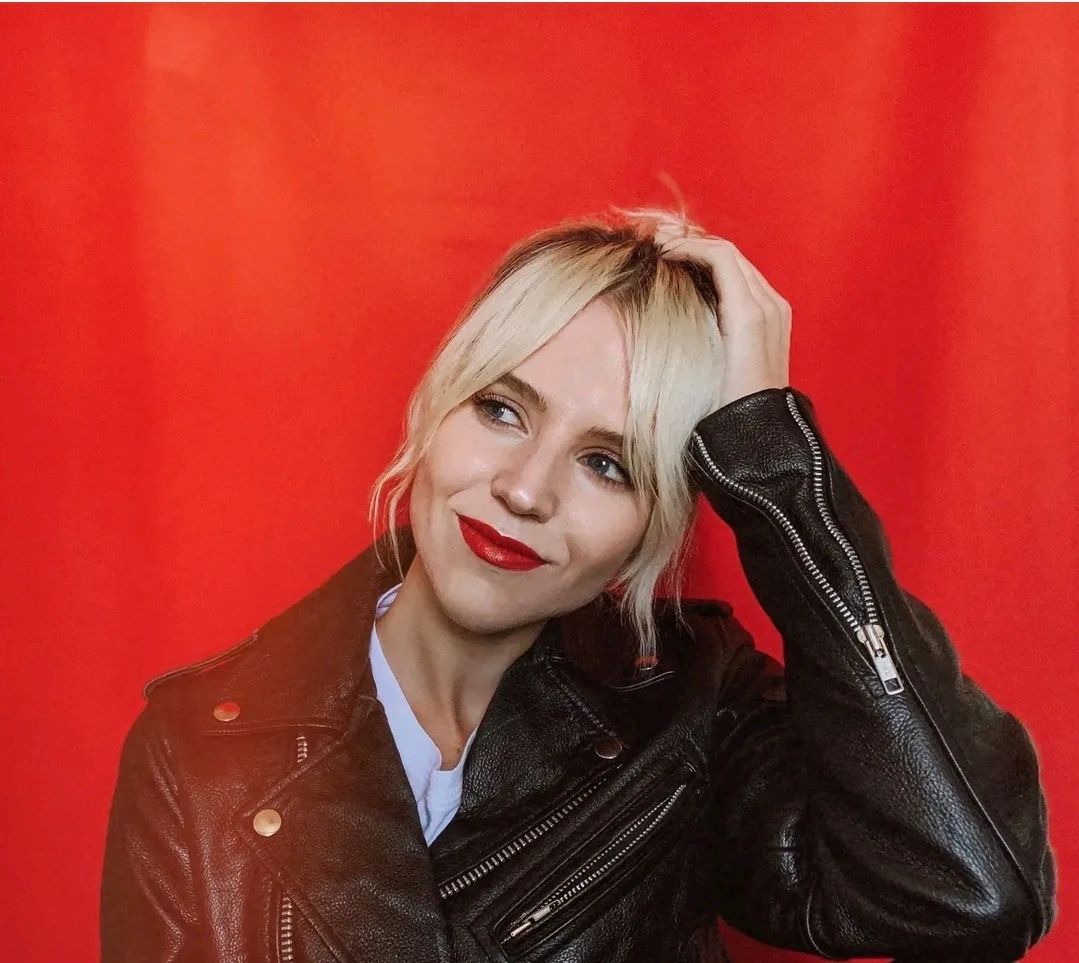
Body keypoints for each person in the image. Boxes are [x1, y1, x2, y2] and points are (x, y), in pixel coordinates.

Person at [100, 207, 1056, 962]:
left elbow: (969, 892)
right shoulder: (201, 748)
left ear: (656, 527)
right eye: (501, 408)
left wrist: (773, 468)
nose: (524, 489)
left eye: (608, 464)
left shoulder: (694, 706)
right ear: (434, 408)